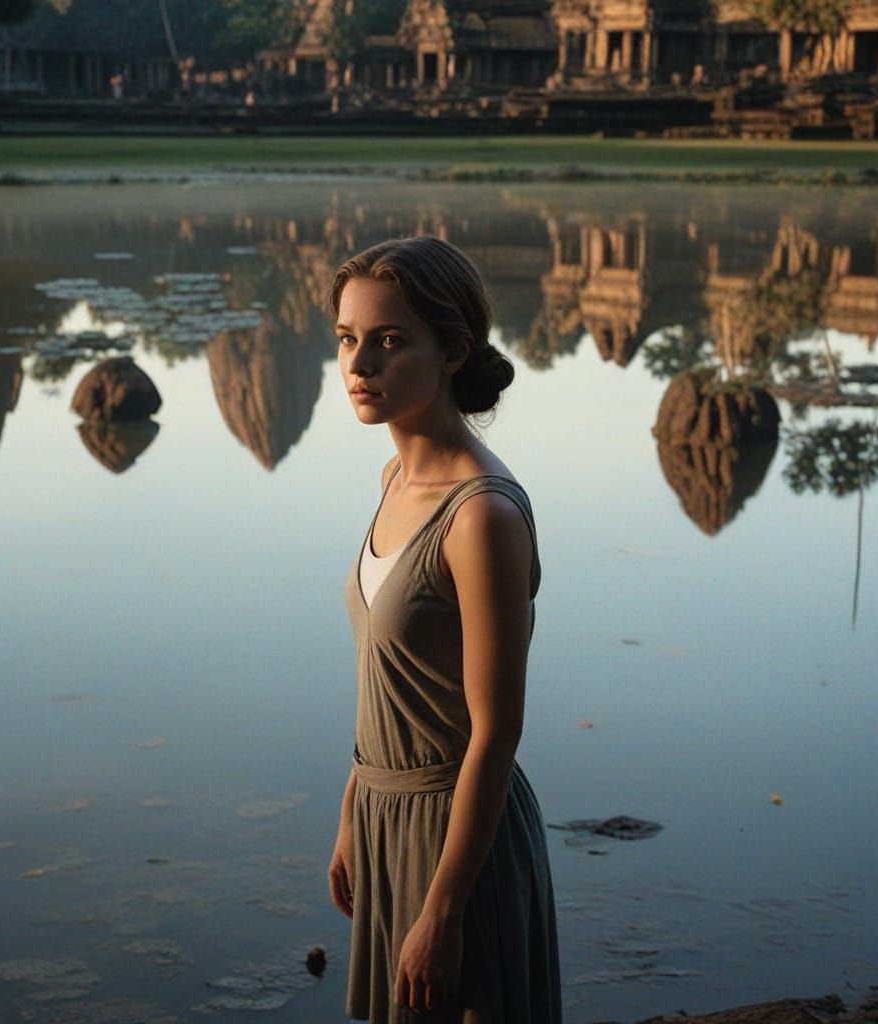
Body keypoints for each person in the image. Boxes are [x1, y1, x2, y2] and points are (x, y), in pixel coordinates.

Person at [327, 235, 561, 1024]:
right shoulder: (393, 478)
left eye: (390, 342)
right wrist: (354, 811)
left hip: (461, 844)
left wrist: (445, 912)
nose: (361, 366)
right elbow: (391, 678)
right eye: (348, 339)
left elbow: (495, 733)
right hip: (386, 820)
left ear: (453, 349)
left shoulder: (482, 516)